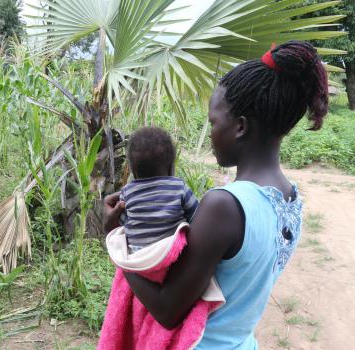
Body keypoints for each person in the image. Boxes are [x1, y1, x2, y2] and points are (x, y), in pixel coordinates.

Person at [103, 40, 328, 349]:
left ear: (239, 127)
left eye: (213, 121)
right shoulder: (290, 200)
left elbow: (167, 309)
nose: (210, 132)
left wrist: (119, 242)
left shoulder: (225, 206)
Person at [118, 126, 198, 254]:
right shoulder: (179, 187)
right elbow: (196, 216)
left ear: (134, 172)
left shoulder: (127, 192)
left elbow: (123, 221)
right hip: (171, 253)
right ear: (171, 167)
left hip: (137, 256)